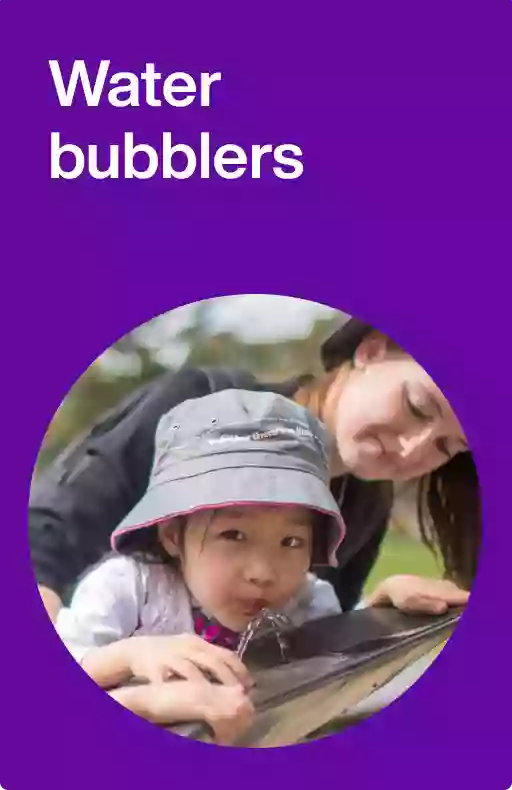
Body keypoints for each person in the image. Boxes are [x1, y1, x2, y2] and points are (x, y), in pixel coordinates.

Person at [30, 316, 478, 623]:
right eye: (418, 407)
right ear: (371, 351)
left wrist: (374, 613)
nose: (412, 448)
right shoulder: (200, 410)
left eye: (446, 446)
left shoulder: (366, 503)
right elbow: (43, 547)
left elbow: (301, 643)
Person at [55, 389, 347, 744]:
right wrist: (129, 659)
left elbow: (346, 671)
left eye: (291, 542)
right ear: (173, 535)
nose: (263, 572)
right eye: (233, 534)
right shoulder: (127, 590)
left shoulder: (308, 600)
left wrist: (382, 607)